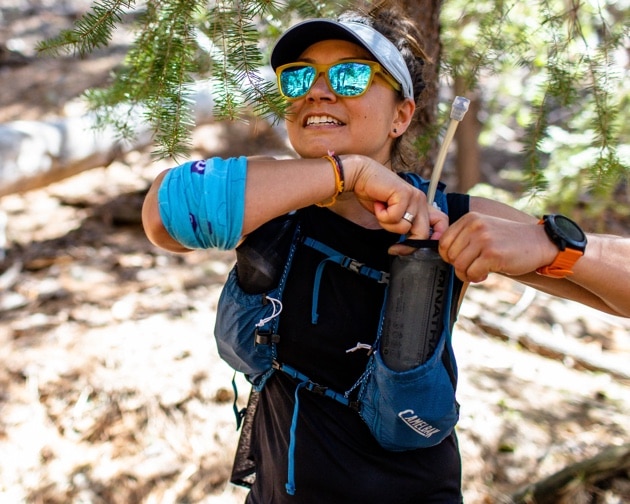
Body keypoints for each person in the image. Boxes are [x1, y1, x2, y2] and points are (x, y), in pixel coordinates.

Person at [142, 3, 630, 502]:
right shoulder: (265, 196)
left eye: (351, 75)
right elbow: (162, 216)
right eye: (298, 77)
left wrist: (550, 243)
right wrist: (347, 173)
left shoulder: (445, 216)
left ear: (401, 116)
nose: (318, 89)